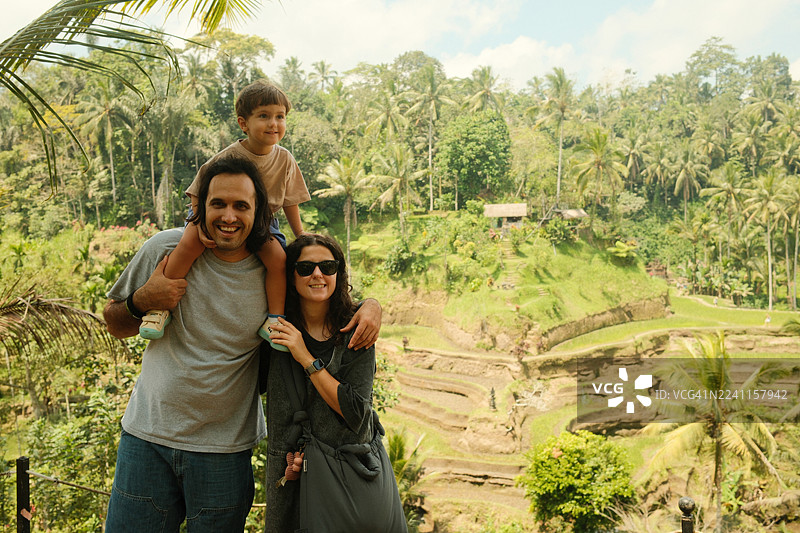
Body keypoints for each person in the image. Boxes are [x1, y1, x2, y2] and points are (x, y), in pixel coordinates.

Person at [102, 158, 381, 532]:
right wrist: (142, 300)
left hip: (225, 452)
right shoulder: (165, 248)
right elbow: (114, 323)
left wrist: (371, 306)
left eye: (241, 206)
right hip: (146, 441)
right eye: (218, 204)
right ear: (201, 207)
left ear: (258, 212)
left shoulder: (275, 270)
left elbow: (323, 295)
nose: (228, 216)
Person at [139, 80, 310, 351]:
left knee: (278, 259)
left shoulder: (285, 158)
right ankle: (160, 308)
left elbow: (290, 199)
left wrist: (300, 234)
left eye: (280, 117)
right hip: (214, 213)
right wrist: (199, 224)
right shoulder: (228, 156)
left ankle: (274, 320)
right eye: (263, 116)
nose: (273, 124)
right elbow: (197, 191)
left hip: (261, 220)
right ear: (243, 123)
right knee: (189, 244)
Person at [263, 233, 406, 533]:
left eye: (327, 267)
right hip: (290, 480)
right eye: (306, 268)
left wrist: (305, 357)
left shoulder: (356, 330)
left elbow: (356, 411)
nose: (317, 274)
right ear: (291, 276)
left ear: (338, 273)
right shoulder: (275, 332)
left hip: (349, 482)